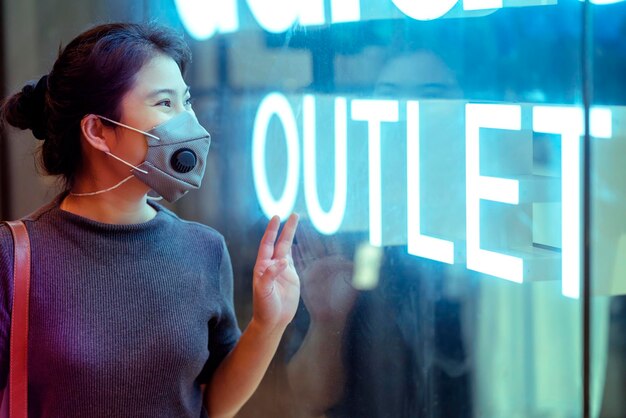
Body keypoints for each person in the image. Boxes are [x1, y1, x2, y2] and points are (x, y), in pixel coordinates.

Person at [0, 22, 299, 418]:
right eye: (164, 104)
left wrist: (268, 324)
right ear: (98, 130)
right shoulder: (13, 257)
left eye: (186, 101)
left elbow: (212, 405)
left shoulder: (204, 249)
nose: (188, 123)